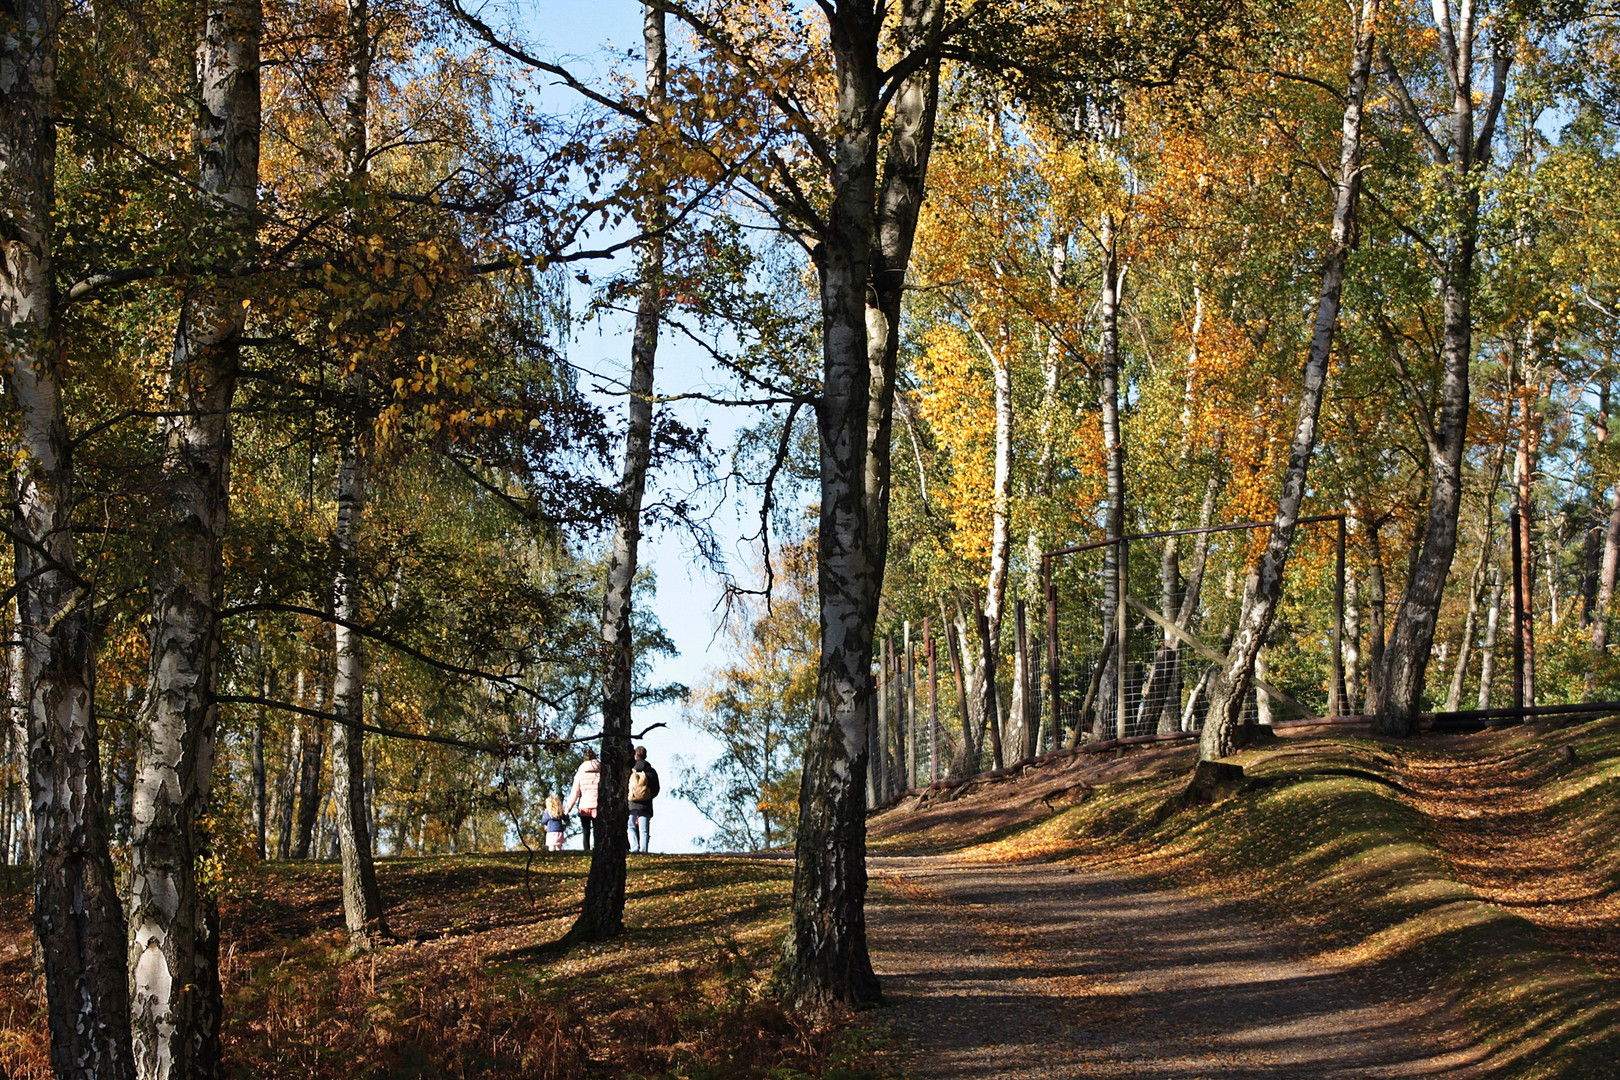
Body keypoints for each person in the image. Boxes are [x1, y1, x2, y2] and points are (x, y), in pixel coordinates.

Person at [565, 748, 601, 852]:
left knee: (586, 831)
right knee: (597, 831)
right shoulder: (601, 773)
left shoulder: (580, 773)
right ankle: (597, 849)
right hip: (597, 806)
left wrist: (567, 810)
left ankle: (586, 850)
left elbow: (574, 793)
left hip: (584, 806)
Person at [627, 745, 660, 854]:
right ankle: (644, 849)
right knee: (644, 829)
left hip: (632, 803)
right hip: (645, 805)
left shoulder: (630, 770)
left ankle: (634, 846)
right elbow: (656, 788)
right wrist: (648, 797)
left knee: (630, 826)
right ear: (645, 756)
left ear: (635, 755)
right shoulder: (651, 771)